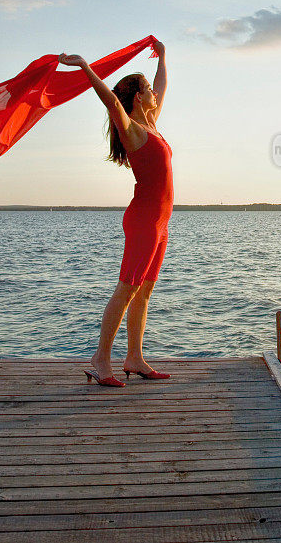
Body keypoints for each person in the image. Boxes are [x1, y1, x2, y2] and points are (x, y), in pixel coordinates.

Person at [59, 41, 173, 387]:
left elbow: (163, 85)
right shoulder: (133, 130)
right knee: (127, 288)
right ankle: (100, 360)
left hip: (160, 222)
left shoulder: (151, 122)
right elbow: (111, 101)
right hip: (142, 220)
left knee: (144, 291)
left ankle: (134, 357)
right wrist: (84, 66)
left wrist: (163, 56)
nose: (155, 92)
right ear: (138, 97)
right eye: (148, 89)